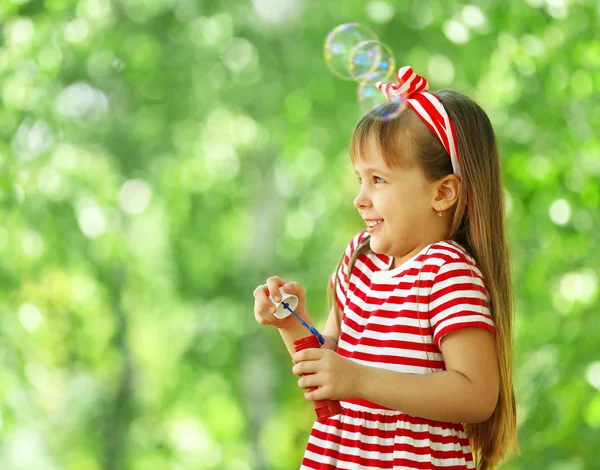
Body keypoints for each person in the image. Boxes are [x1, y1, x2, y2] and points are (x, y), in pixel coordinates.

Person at [253, 65, 517, 470]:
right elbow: (332, 364)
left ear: (442, 192)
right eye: (360, 178)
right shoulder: (360, 259)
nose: (360, 197)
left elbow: (477, 395)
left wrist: (361, 380)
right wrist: (292, 322)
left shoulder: (446, 272)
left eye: (379, 179)